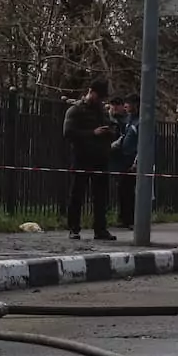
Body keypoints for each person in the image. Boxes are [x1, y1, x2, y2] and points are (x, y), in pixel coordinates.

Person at [63, 80, 115, 241]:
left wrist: (109, 131)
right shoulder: (76, 110)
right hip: (82, 157)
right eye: (98, 96)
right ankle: (74, 228)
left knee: (100, 196)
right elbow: (68, 132)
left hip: (100, 158)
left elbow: (111, 126)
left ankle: (100, 229)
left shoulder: (102, 111)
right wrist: (92, 133)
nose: (100, 100)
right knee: (77, 194)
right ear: (91, 92)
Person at [109, 96, 140, 228]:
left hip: (131, 159)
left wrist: (137, 161)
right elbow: (123, 134)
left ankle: (131, 219)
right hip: (123, 160)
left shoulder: (140, 122)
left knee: (130, 191)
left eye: (129, 104)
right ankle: (124, 218)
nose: (126, 106)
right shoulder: (129, 120)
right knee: (123, 189)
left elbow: (143, 143)